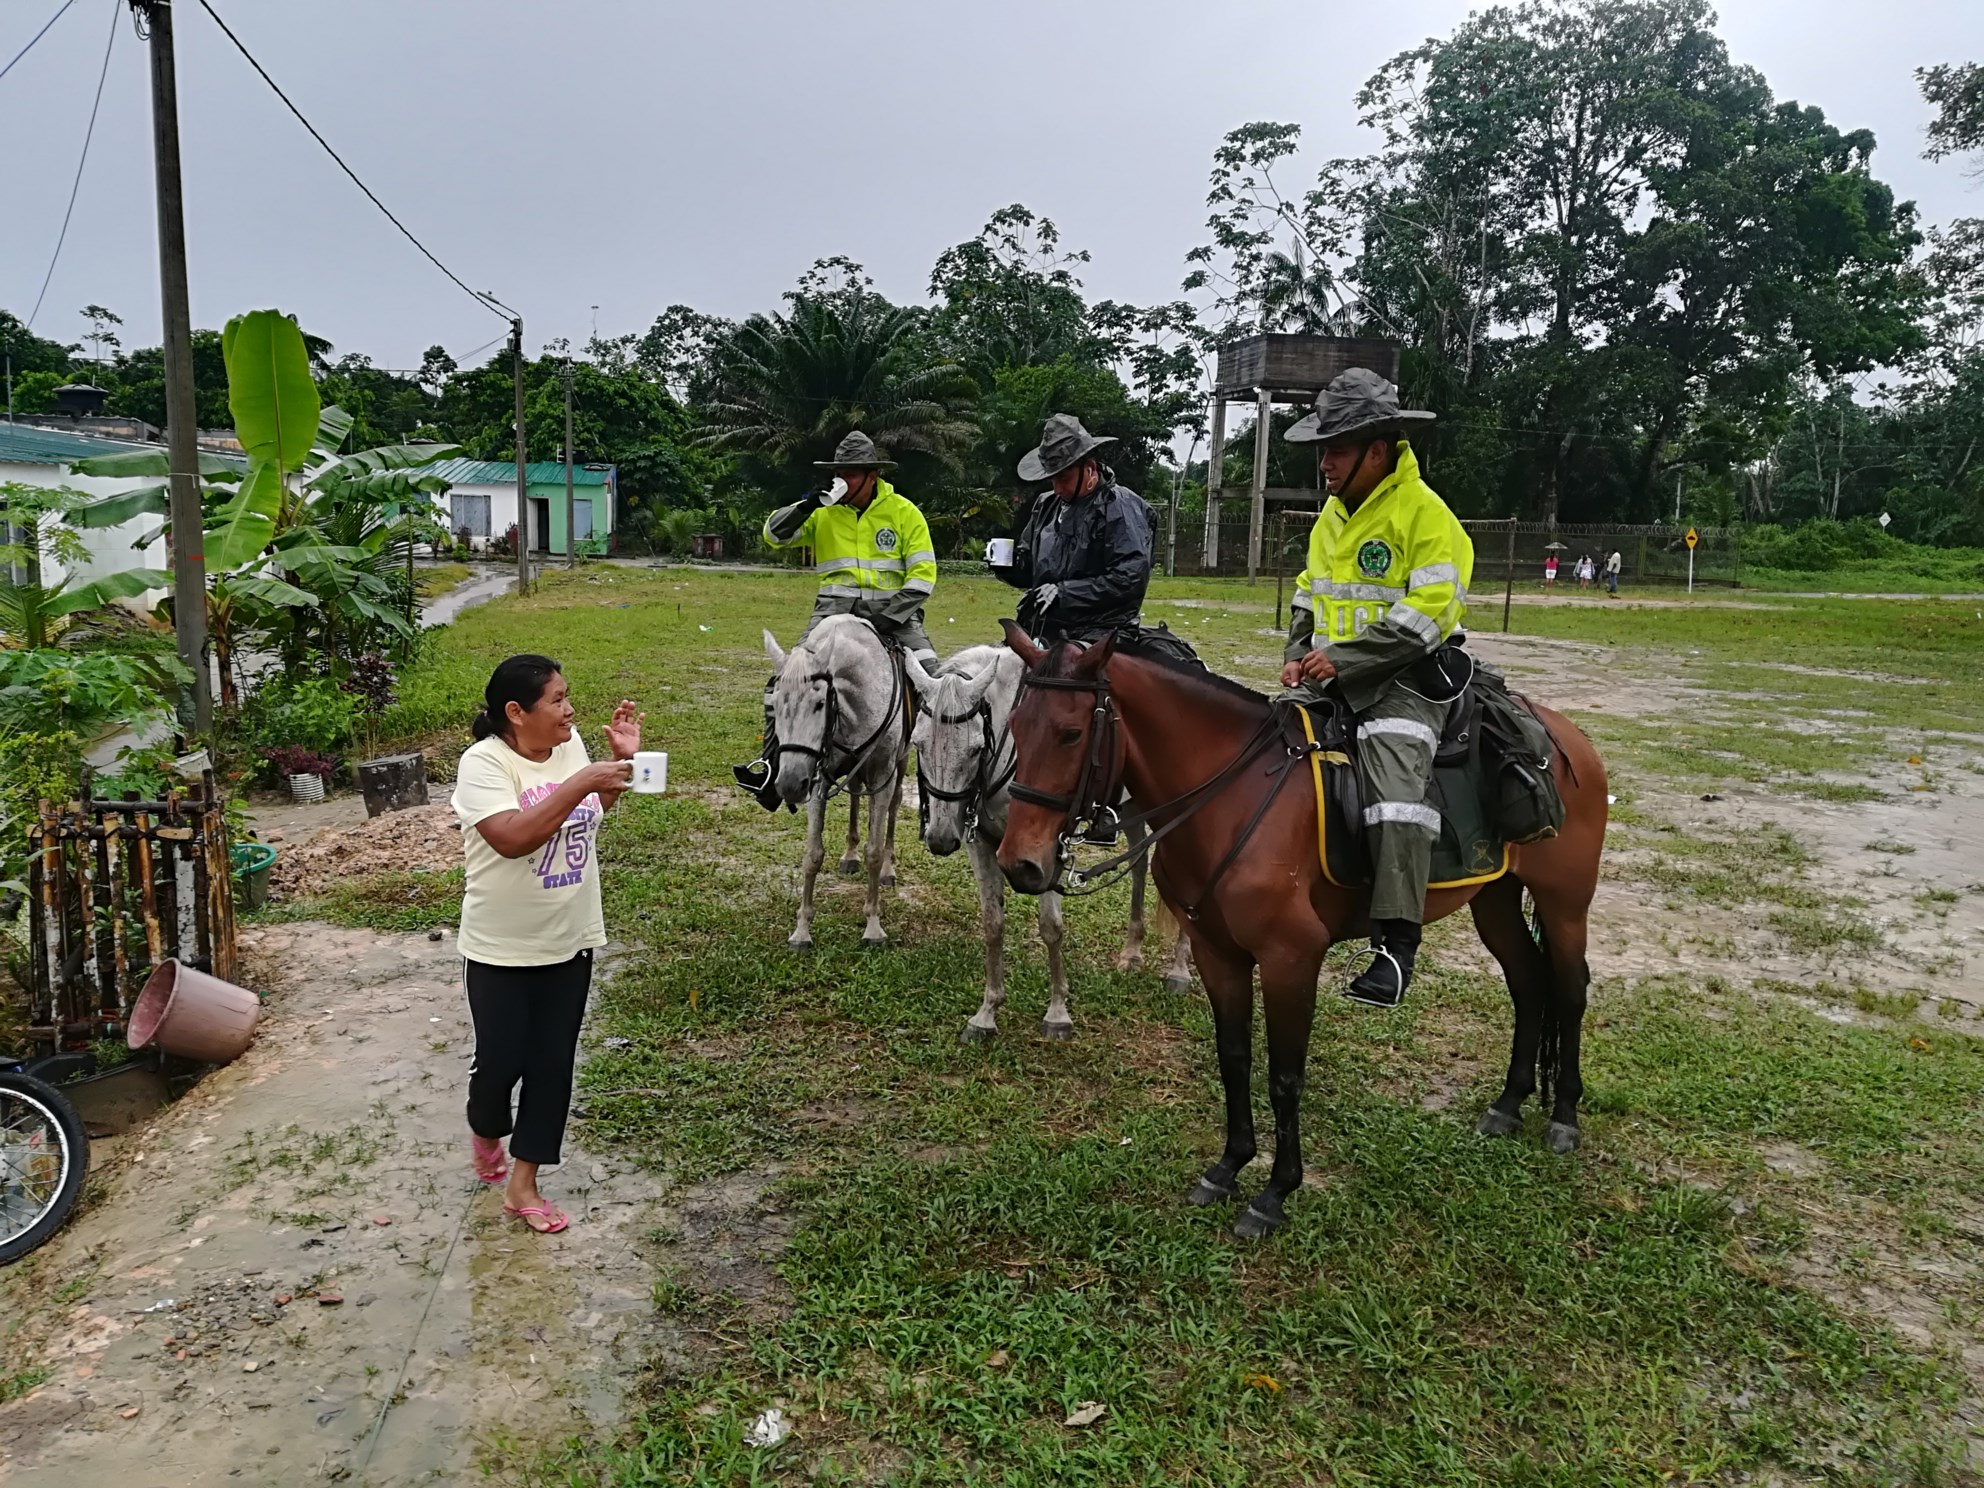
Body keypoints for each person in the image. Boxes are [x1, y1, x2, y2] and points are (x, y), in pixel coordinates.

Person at [1278, 368, 1473, 1009]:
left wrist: (1348, 660)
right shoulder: (1331, 517)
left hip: (1403, 684)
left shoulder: (1428, 515)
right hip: (1330, 678)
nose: (1324, 464)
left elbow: (1429, 613)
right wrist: (1297, 652)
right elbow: (1309, 591)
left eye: (1335, 450)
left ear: (1378, 451)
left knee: (1395, 796)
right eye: (1322, 450)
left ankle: (1394, 945)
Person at [452, 655, 642, 1233]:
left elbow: (584, 816)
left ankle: (524, 1183)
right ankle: (486, 1129)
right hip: (501, 948)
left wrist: (616, 767)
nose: (570, 710)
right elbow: (512, 838)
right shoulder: (482, 764)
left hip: (570, 937)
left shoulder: (571, 747)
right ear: (516, 712)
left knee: (552, 1065)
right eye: (557, 701)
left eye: (568, 697)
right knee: (500, 1065)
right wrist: (583, 779)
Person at [733, 430, 938, 807]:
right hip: (831, 612)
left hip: (894, 615)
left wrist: (884, 615)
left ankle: (935, 781)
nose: (844, 479)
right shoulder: (822, 512)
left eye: (852, 473)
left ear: (872, 475)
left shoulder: (905, 513)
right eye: (840, 472)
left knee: (933, 679)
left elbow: (923, 578)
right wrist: (805, 506)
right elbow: (773, 536)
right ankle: (769, 765)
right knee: (786, 676)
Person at [990, 413, 1155, 644]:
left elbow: (1129, 578)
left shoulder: (1119, 506)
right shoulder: (1046, 505)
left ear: (1089, 469)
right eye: (1052, 479)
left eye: (1064, 479)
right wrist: (1005, 564)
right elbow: (1030, 571)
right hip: (1043, 626)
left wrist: (1065, 592)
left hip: (1101, 630)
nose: (1057, 489)